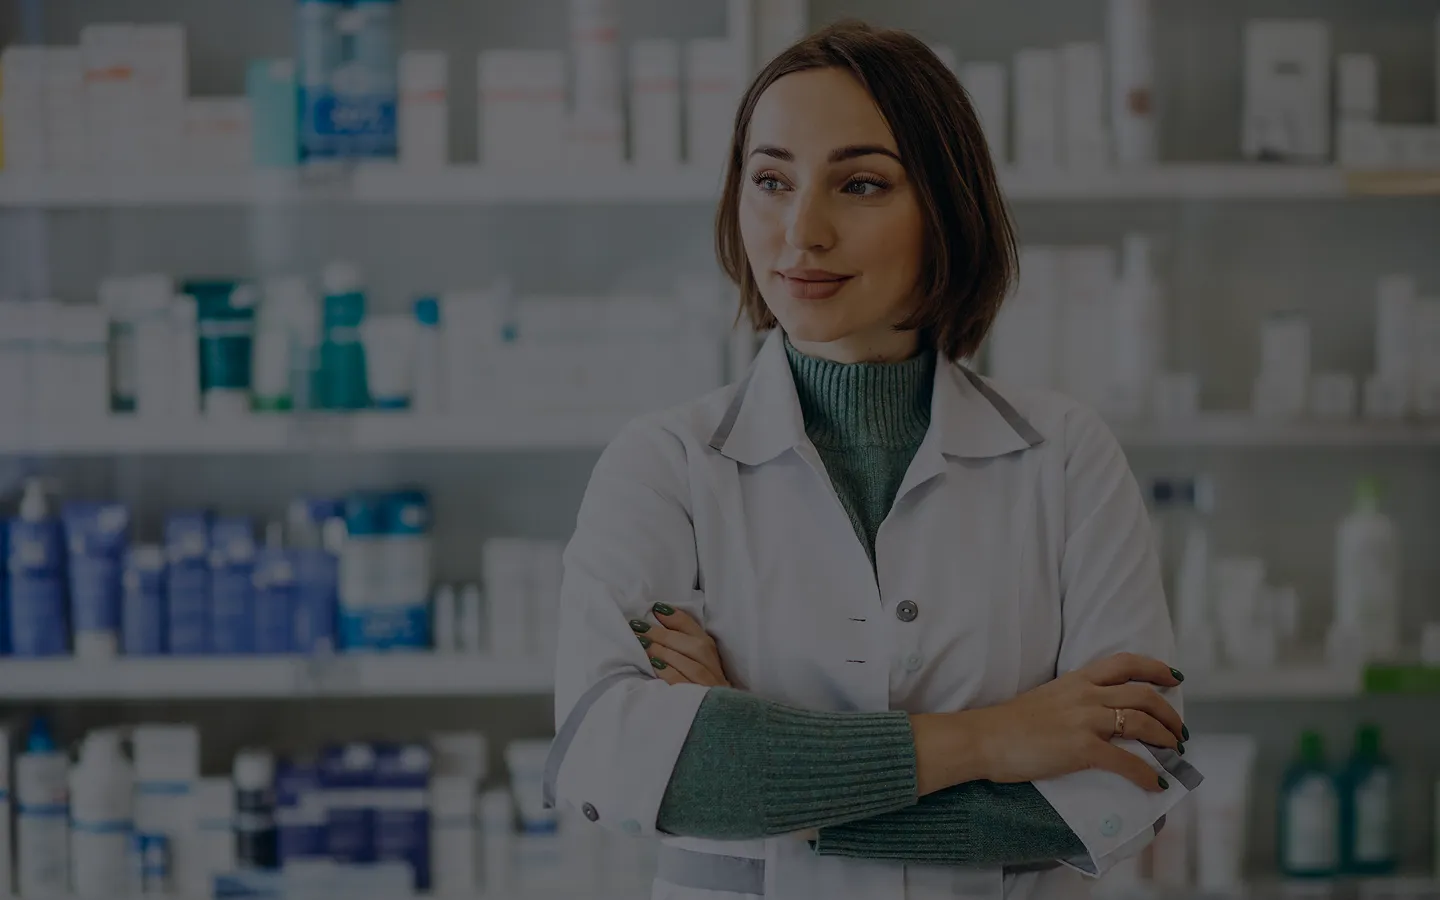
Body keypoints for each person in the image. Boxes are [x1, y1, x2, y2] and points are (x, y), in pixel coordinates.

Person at [545, 20, 1200, 900]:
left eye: (860, 184)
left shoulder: (1065, 457)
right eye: (770, 180)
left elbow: (1125, 784)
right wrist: (996, 739)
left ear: (945, 208)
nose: (801, 230)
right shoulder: (664, 464)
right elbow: (611, 764)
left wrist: (764, 760)